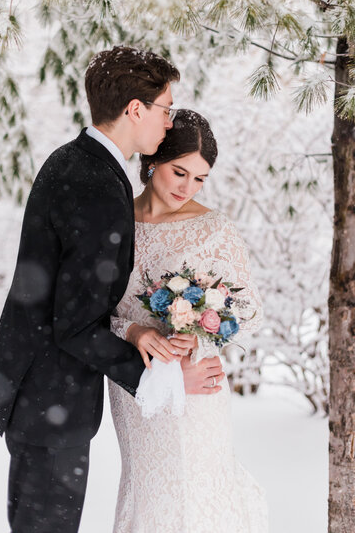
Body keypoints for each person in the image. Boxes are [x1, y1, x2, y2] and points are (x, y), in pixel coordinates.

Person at [0, 48, 225, 533]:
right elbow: (74, 325)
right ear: (136, 109)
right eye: (165, 108)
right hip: (52, 399)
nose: (168, 121)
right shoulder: (97, 186)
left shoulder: (73, 160)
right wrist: (163, 379)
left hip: (39, 393)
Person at [109, 109, 269, 533]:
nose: (187, 187)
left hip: (197, 383)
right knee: (148, 494)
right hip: (134, 385)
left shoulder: (213, 228)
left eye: (199, 179)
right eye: (180, 172)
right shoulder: (115, 220)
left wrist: (198, 332)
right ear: (152, 162)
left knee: (198, 490)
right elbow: (94, 311)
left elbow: (250, 310)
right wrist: (131, 330)